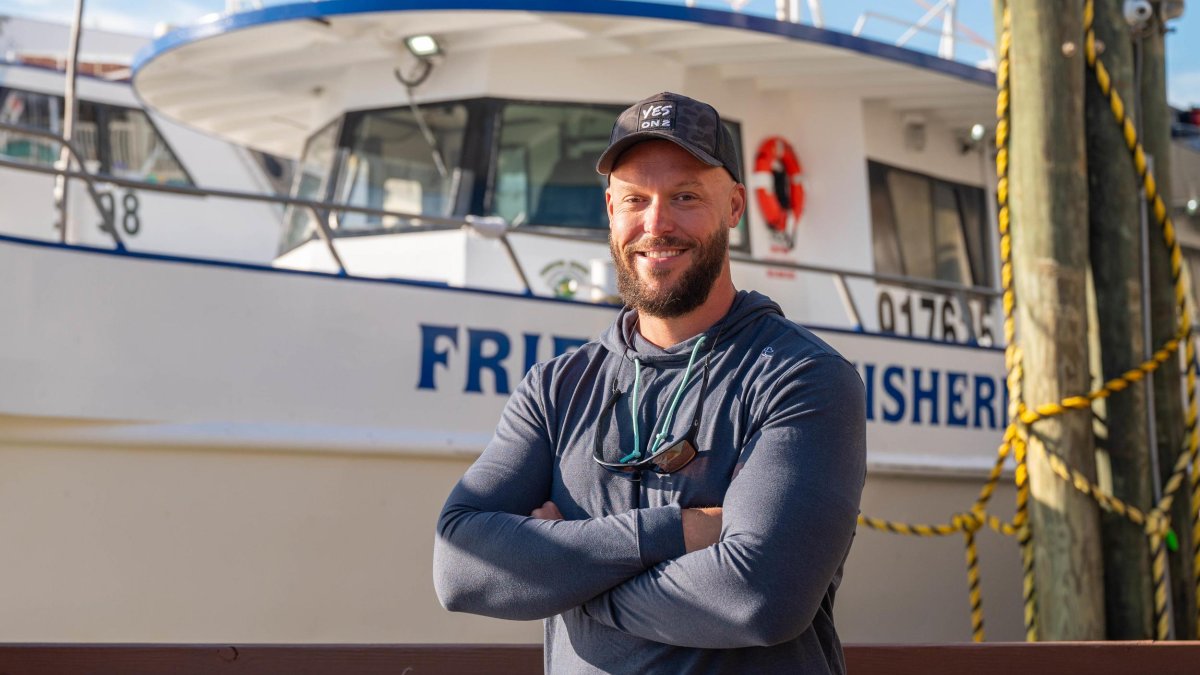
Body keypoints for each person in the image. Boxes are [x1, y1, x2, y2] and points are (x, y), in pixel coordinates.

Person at [433, 91, 866, 674]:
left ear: (735, 205)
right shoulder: (556, 388)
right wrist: (679, 531)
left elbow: (757, 598)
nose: (656, 225)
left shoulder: (802, 378)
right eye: (636, 199)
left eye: (685, 196)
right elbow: (460, 567)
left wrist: (568, 581)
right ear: (610, 209)